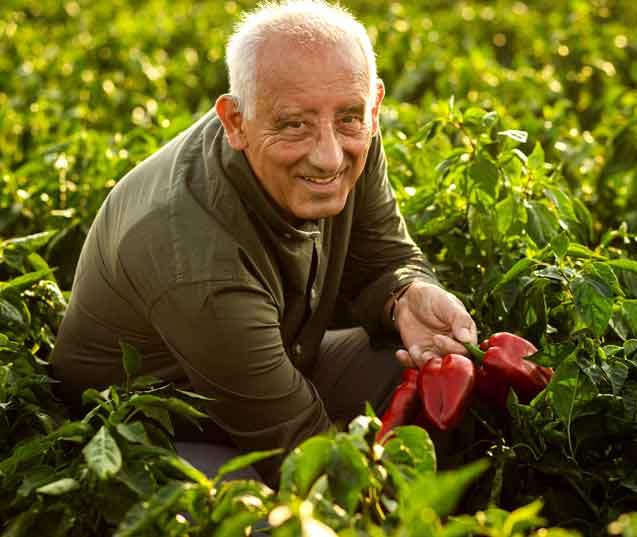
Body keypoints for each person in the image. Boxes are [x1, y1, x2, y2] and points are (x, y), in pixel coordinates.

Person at [50, 0, 477, 483]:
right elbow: (300, 447)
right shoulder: (194, 260)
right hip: (150, 426)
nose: (328, 155)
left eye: (350, 118)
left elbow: (382, 253)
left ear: (373, 107)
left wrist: (405, 292)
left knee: (426, 363)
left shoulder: (349, 129)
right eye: (294, 124)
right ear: (234, 122)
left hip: (275, 361)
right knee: (258, 510)